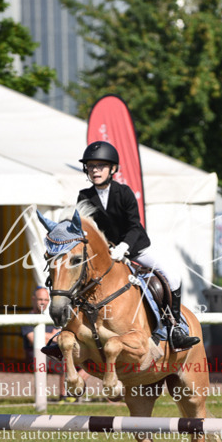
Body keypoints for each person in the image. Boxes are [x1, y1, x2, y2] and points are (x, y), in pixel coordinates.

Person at [75, 141, 199, 351]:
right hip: (105, 255)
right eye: (91, 166)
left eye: (100, 166)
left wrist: (123, 247)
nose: (95, 170)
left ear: (112, 169)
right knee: (74, 279)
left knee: (173, 277)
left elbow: (134, 225)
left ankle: (175, 328)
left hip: (136, 248)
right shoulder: (84, 196)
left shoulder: (124, 193)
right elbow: (86, 228)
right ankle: (68, 329)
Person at [23, 286, 88, 400]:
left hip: (54, 350)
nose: (43, 302)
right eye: (40, 299)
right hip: (37, 353)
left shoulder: (53, 317)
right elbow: (33, 340)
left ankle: (70, 392)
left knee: (88, 358)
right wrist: (51, 336)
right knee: (65, 358)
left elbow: (61, 336)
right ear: (33, 299)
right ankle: (65, 395)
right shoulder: (28, 318)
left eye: (46, 300)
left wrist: (46, 336)